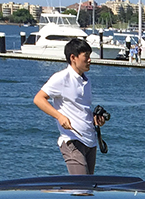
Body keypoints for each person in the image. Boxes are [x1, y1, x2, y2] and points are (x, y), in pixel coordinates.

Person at [34, 38, 107, 175]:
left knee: (87, 189)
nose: (90, 60)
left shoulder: (87, 80)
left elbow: (82, 108)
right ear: (73, 57)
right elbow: (39, 99)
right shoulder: (61, 78)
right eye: (86, 56)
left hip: (90, 141)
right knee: (81, 188)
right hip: (72, 140)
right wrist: (59, 116)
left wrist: (95, 120)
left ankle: (60, 193)